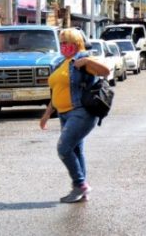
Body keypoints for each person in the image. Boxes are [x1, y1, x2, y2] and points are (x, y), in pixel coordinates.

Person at [39, 28, 110, 203]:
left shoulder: (82, 59)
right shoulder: (61, 63)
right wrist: (47, 114)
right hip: (64, 114)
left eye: (67, 42)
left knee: (63, 148)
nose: (64, 46)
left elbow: (106, 71)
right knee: (76, 151)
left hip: (81, 112)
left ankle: (80, 184)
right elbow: (56, 91)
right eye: (61, 42)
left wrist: (86, 60)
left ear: (76, 43)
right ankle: (81, 191)